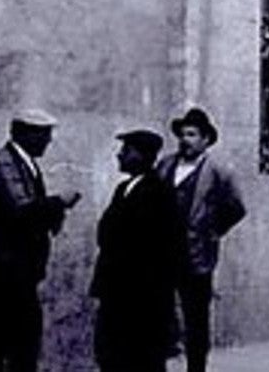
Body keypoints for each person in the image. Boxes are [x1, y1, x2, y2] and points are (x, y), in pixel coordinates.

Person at [0, 109, 82, 372]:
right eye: (43, 134)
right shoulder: (5, 163)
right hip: (3, 271)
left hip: (15, 270)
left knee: (15, 339)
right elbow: (21, 210)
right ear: (23, 134)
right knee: (4, 342)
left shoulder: (21, 161)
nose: (48, 141)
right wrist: (59, 202)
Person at [157, 107, 246, 372]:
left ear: (206, 139)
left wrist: (211, 231)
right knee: (161, 313)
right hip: (163, 254)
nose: (186, 140)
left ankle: (197, 367)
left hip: (196, 256)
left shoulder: (219, 171)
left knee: (196, 317)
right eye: (183, 134)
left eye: (193, 134)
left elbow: (236, 207)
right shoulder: (165, 165)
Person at [91, 130, 183, 372]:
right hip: (117, 290)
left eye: (126, 151)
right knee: (112, 355)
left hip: (141, 296)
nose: (120, 155)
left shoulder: (159, 193)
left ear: (143, 156)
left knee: (141, 358)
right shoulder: (123, 189)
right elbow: (105, 232)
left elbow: (157, 246)